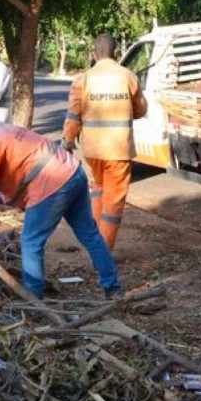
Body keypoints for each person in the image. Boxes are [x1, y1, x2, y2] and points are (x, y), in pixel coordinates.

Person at [0, 109, 121, 299]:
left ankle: (33, 298)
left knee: (31, 241)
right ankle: (112, 288)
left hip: (52, 183)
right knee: (89, 233)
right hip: (72, 172)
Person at [62, 32, 147, 250]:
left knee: (98, 190)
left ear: (93, 53)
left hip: (92, 151)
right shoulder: (128, 76)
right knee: (113, 204)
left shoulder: (83, 79)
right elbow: (140, 110)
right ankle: (103, 252)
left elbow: (73, 116)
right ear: (115, 53)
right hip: (118, 150)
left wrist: (67, 142)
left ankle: (93, 242)